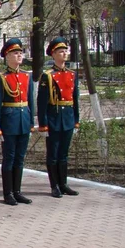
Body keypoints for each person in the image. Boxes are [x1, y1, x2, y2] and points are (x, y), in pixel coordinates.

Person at [0, 38, 34, 206]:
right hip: (9, 122)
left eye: (20, 53)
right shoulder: (0, 78)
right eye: (15, 53)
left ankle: (17, 191)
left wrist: (31, 122)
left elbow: (30, 100)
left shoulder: (26, 76)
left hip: (23, 121)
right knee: (9, 158)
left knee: (20, 159)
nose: (19, 56)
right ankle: (8, 193)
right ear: (7, 56)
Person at [37, 37, 80, 198]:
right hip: (54, 118)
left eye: (65, 51)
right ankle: (54, 185)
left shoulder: (72, 74)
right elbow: (41, 103)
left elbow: (75, 99)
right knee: (53, 154)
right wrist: (43, 124)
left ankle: (64, 184)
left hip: (67, 117)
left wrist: (76, 120)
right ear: (53, 54)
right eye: (60, 51)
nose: (64, 54)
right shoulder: (47, 76)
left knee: (63, 154)